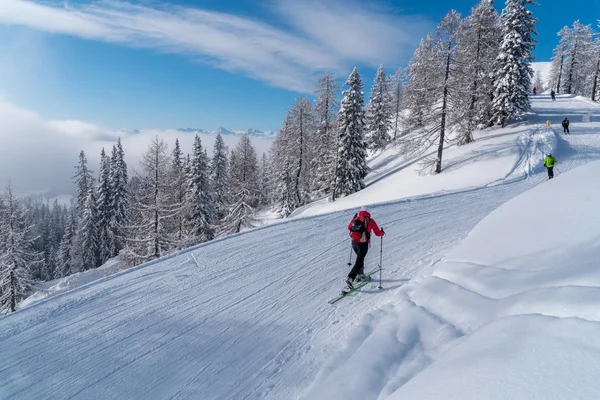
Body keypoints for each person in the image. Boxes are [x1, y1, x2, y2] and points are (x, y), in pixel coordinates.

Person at [346, 208, 384, 289]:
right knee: (359, 261)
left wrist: (353, 219)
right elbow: (377, 233)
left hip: (354, 242)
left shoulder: (356, 218)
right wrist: (382, 233)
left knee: (360, 259)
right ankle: (350, 278)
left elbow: (349, 227)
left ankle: (361, 275)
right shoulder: (370, 221)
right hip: (363, 244)